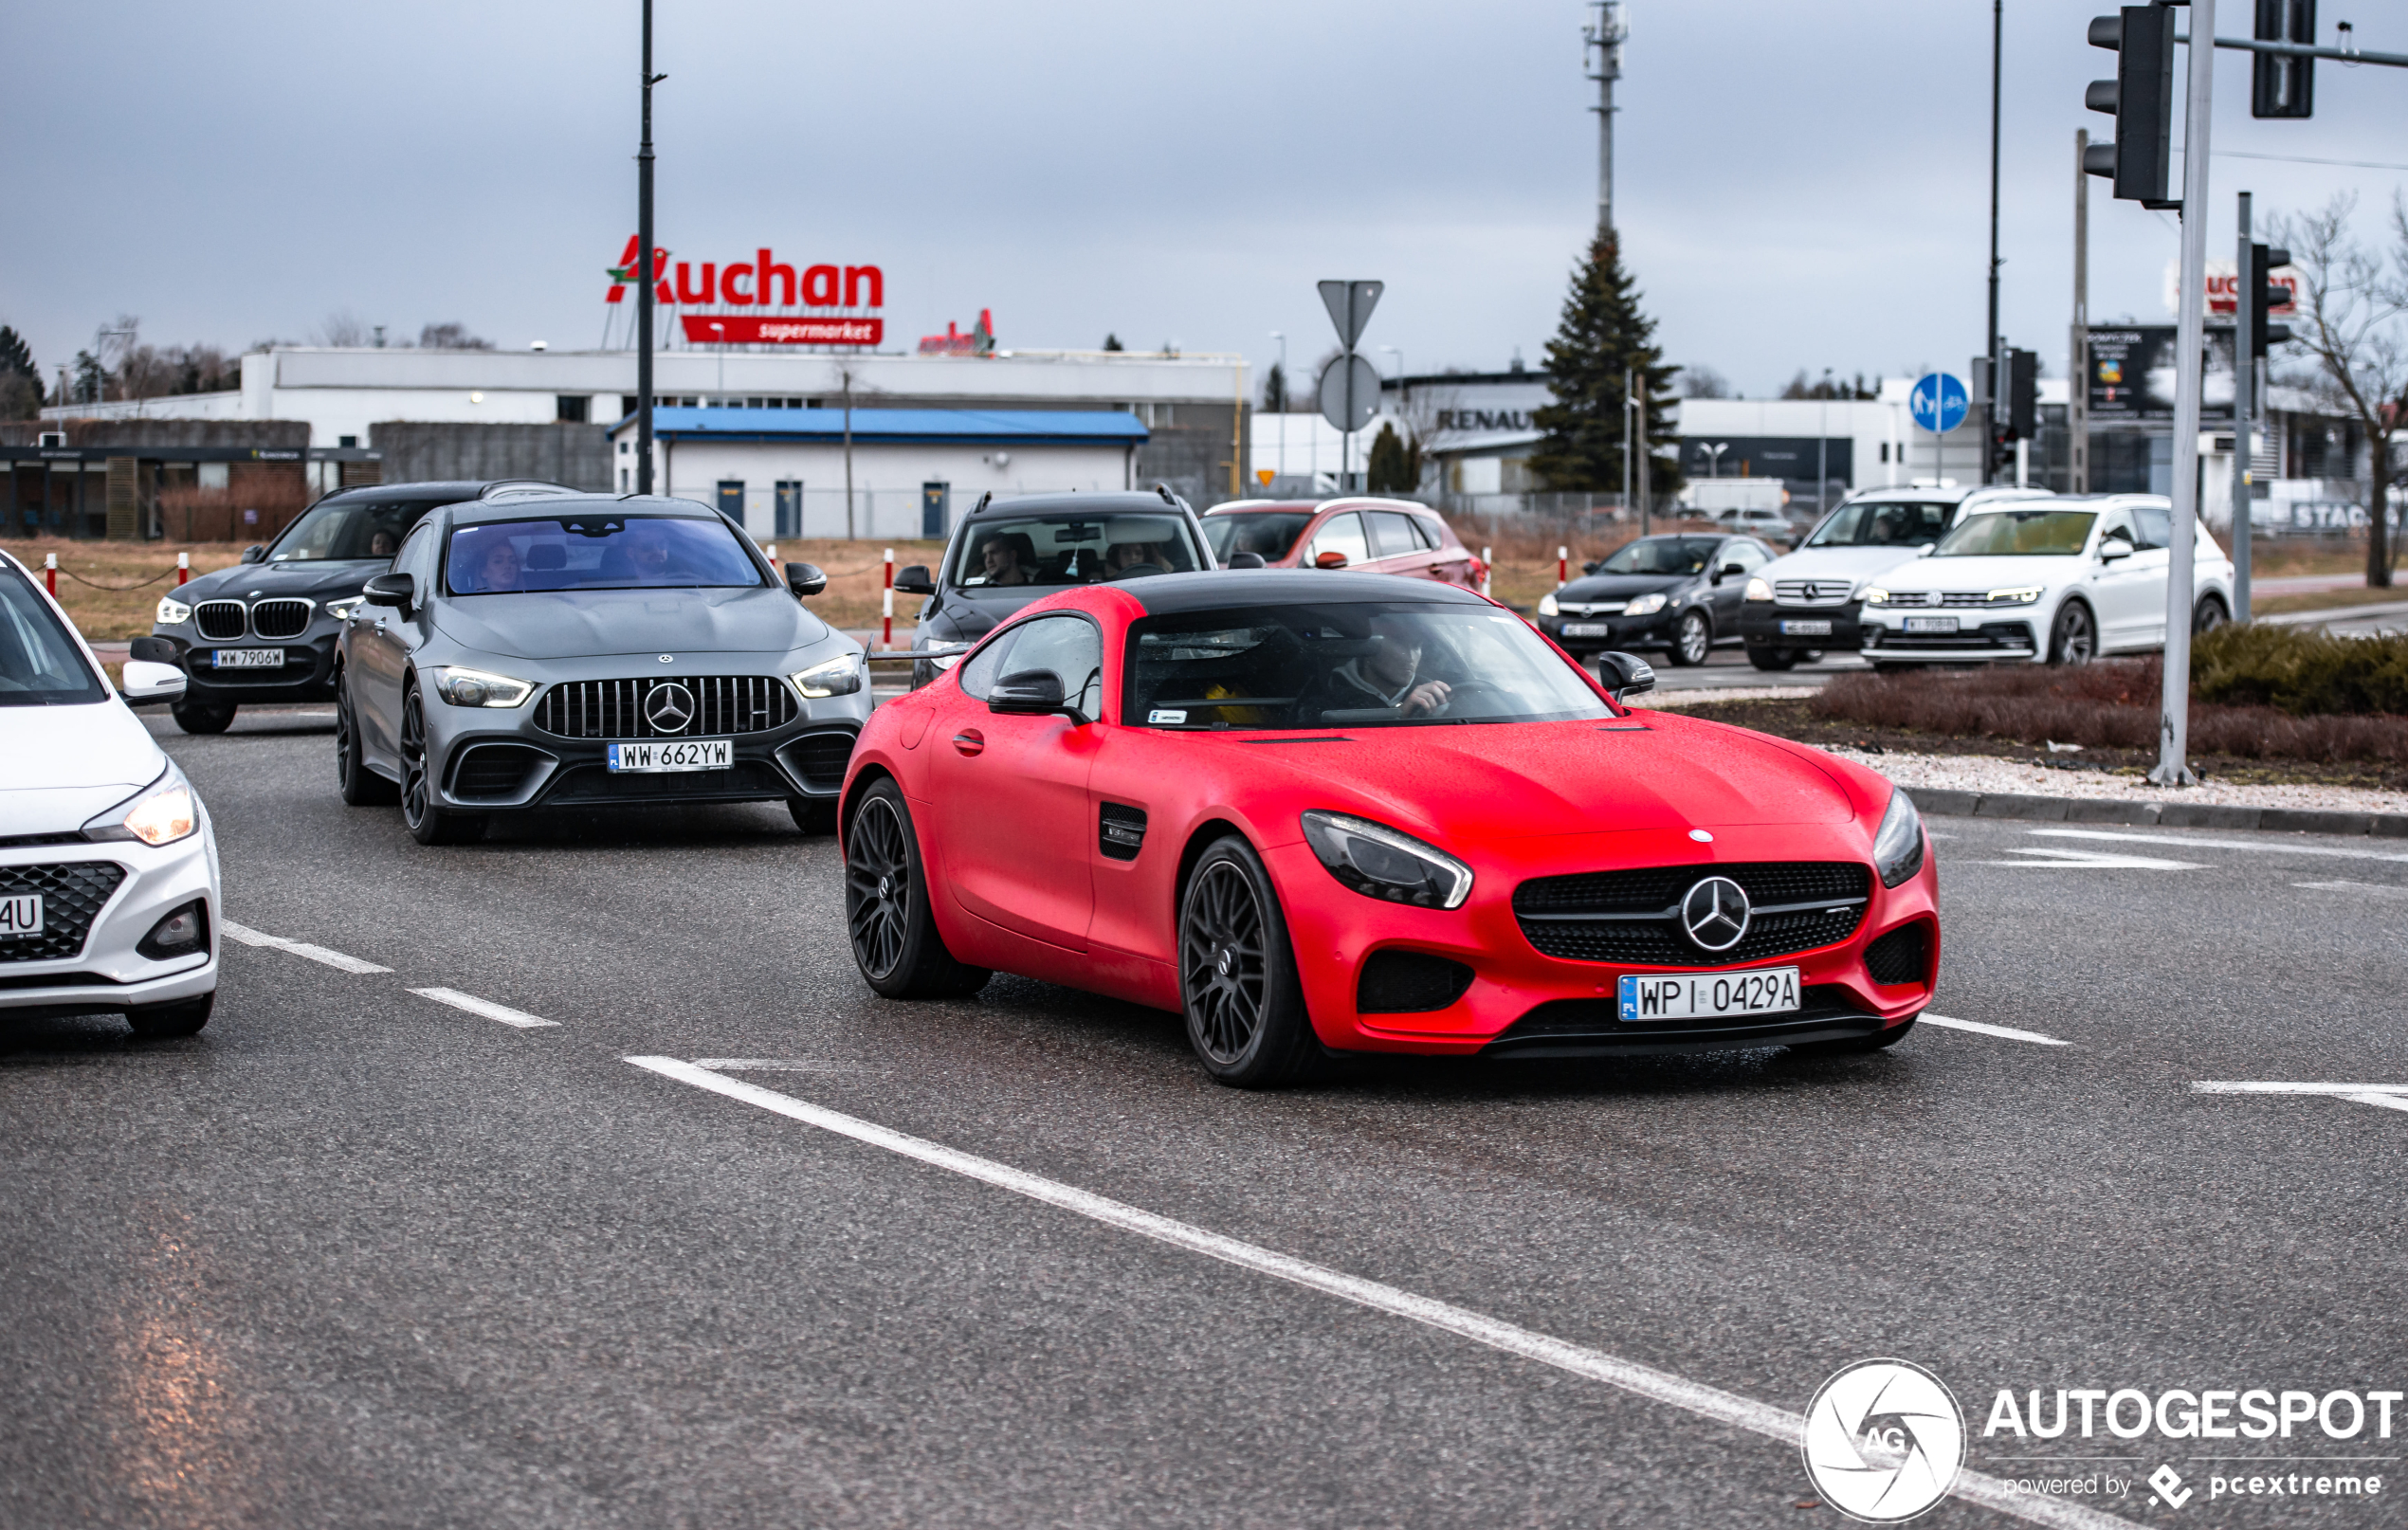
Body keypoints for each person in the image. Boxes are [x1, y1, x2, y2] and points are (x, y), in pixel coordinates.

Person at [1322, 614, 1451, 719]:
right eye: (1399, 643)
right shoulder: (1326, 697)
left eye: (1416, 645)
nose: (1410, 657)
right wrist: (1400, 715)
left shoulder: (1433, 694)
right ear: (1369, 645)